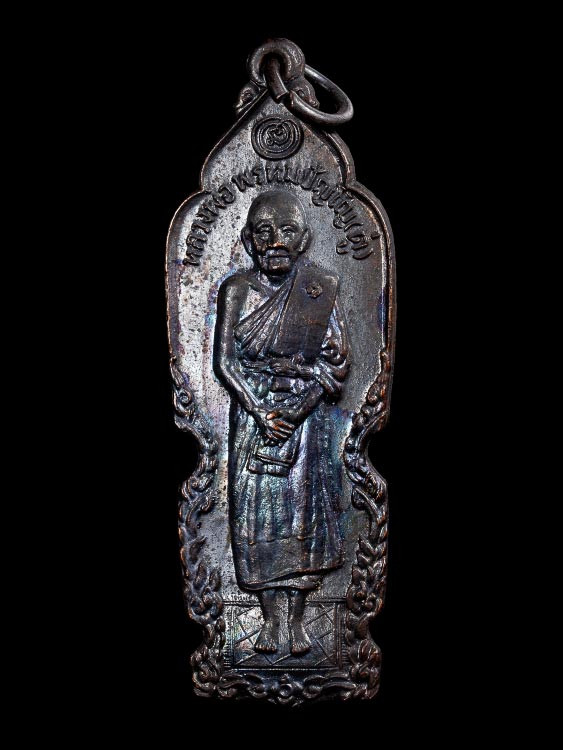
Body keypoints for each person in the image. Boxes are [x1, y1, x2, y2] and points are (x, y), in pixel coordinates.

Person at [214, 190, 350, 655]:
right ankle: (271, 620)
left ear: (304, 239)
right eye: (264, 232)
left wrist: (297, 409)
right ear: (248, 240)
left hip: (305, 420)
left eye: (287, 231)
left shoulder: (318, 290)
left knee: (301, 513)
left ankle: (297, 620)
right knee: (258, 517)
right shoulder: (237, 289)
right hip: (255, 416)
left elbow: (336, 366)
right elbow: (225, 363)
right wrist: (260, 410)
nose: (276, 241)